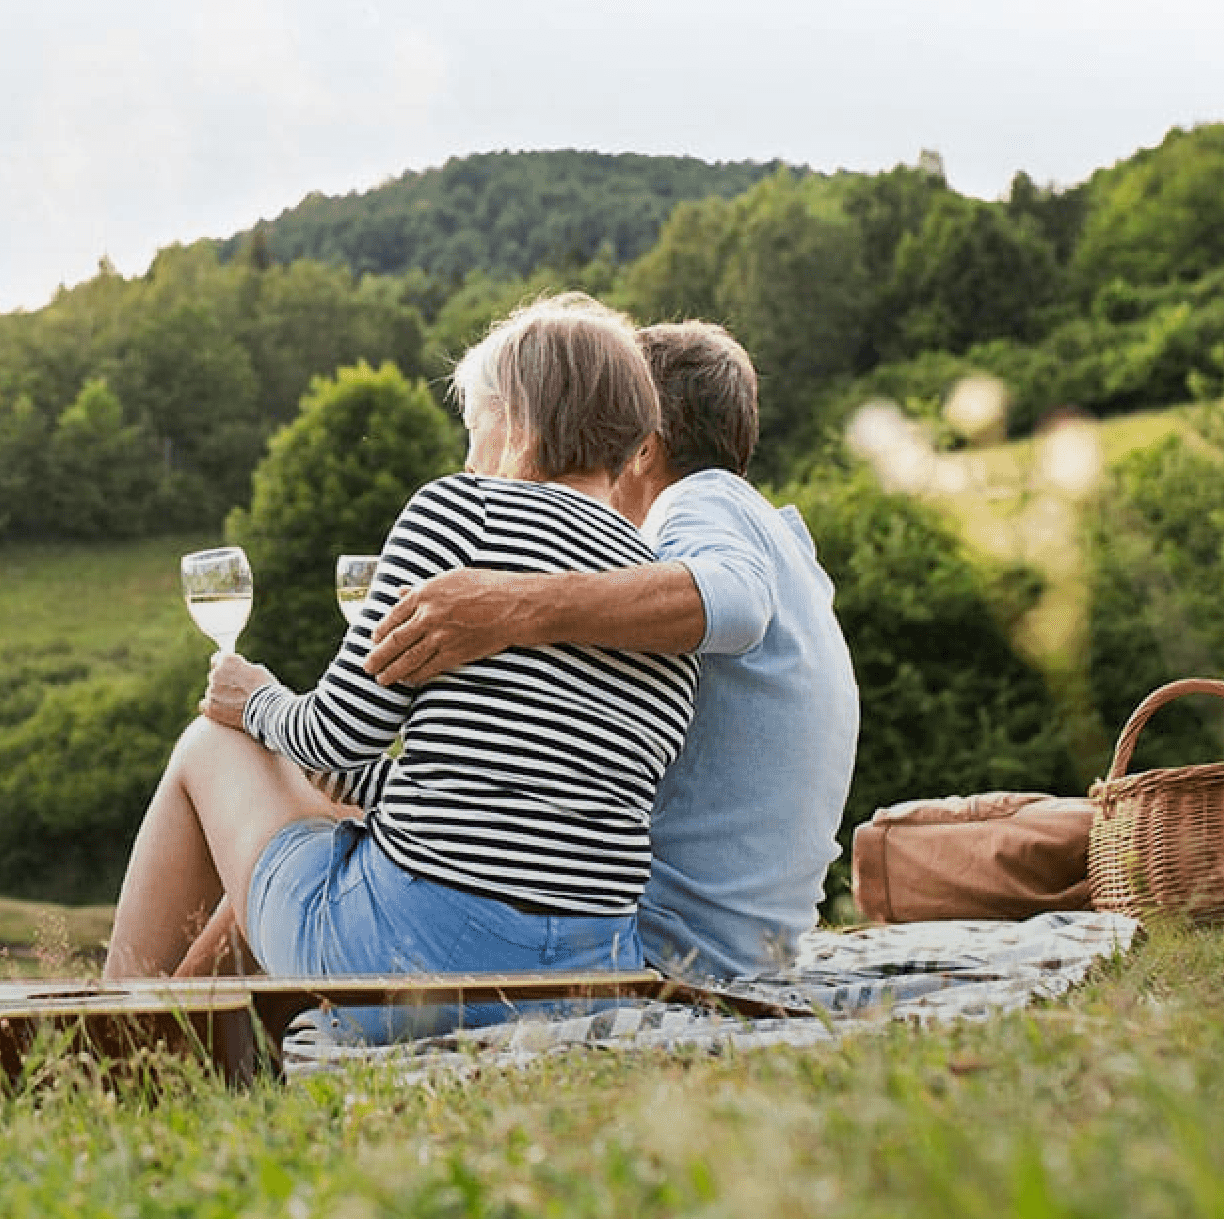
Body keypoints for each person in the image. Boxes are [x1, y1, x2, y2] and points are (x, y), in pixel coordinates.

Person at [102, 294, 697, 994]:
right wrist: (336, 775)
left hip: (415, 959)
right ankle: (170, 1040)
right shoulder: (656, 594)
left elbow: (333, 737)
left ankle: (104, 1033)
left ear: (518, 422)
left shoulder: (460, 511)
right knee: (324, 805)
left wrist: (254, 698)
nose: (471, 456)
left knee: (209, 745)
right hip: (588, 972)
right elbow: (527, 802)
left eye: (475, 427)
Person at [366, 319, 859, 978]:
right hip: (748, 947)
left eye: (611, 441)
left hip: (673, 950)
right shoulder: (776, 539)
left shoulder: (695, 505)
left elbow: (734, 601)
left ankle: (194, 1032)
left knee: (321, 801)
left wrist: (513, 605)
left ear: (646, 450)